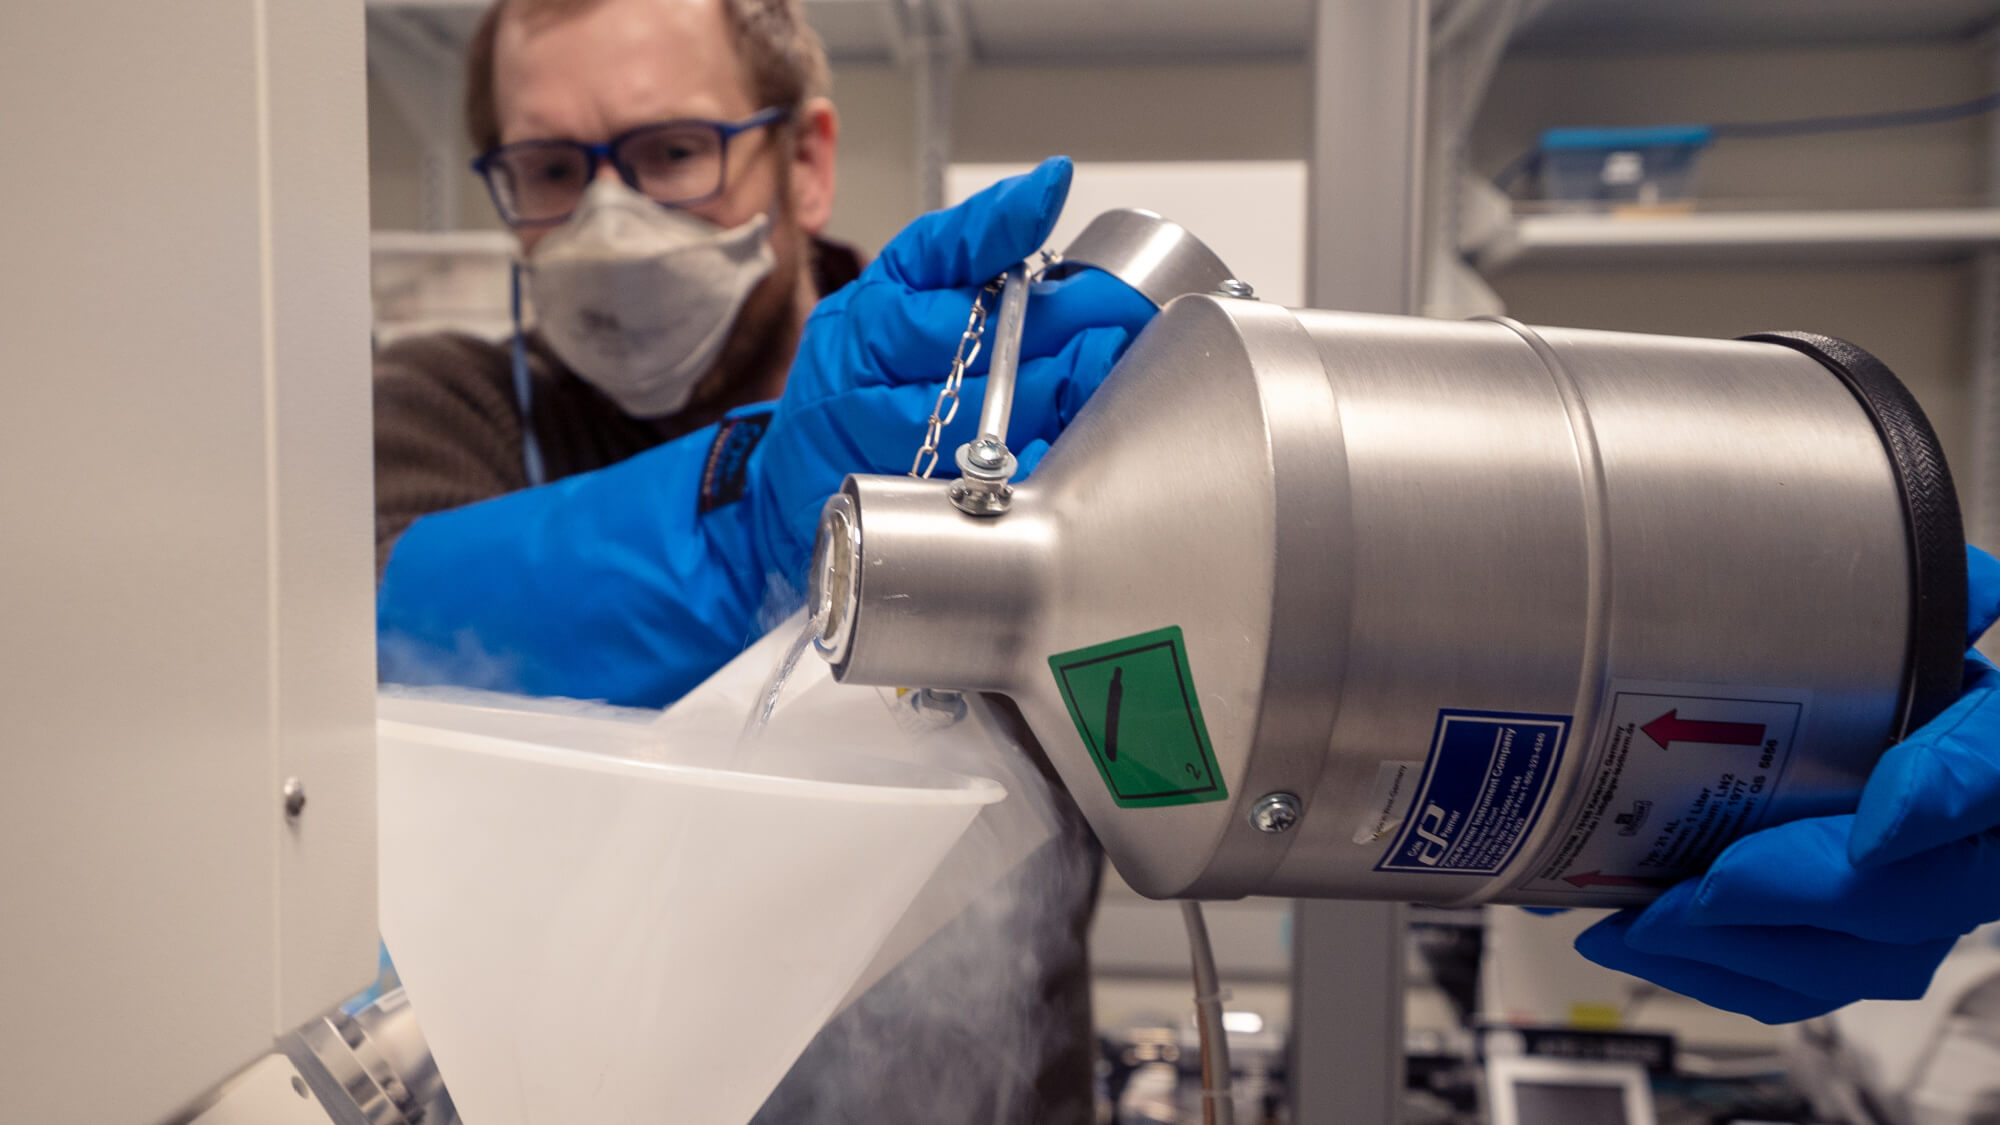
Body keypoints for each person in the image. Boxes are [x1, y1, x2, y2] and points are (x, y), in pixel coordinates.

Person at [369, 1, 1154, 1121]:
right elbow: (354, 638)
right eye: (549, 170)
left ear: (807, 160)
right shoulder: (449, 409)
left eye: (673, 152)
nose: (610, 219)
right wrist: (739, 523)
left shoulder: (988, 408)